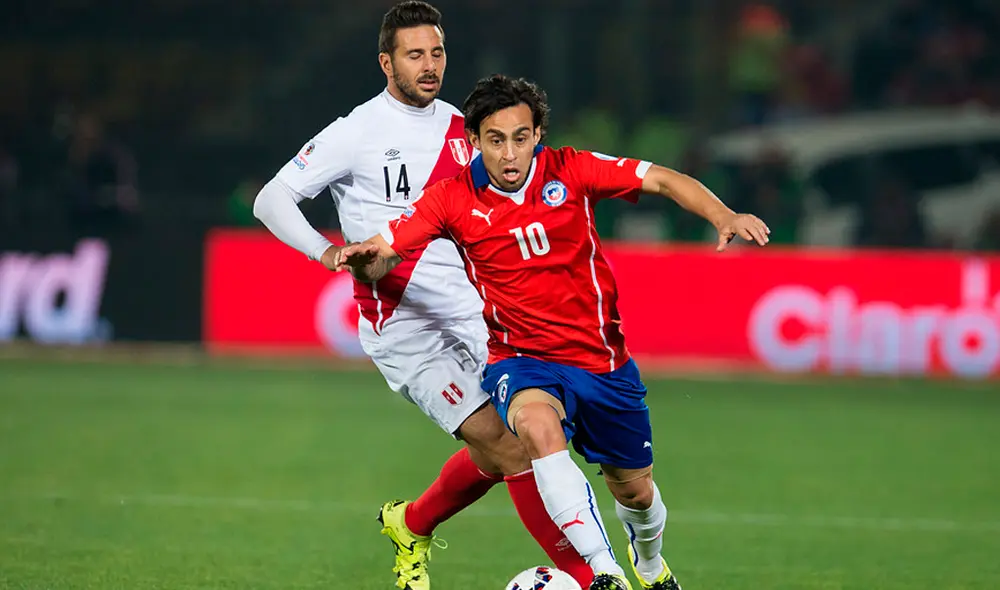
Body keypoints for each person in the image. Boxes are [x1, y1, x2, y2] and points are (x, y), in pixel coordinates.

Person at [337, 74, 771, 590]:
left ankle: (649, 563)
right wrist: (364, 264)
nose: (509, 152)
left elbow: (662, 179)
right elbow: (384, 248)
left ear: (537, 133)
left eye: (520, 137)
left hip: (602, 364)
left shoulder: (574, 169)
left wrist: (722, 214)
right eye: (495, 140)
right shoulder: (451, 199)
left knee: (636, 494)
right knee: (535, 431)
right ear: (473, 142)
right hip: (520, 358)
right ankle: (603, 574)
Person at [251, 3, 590, 589]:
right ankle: (589, 576)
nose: (429, 66)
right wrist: (328, 252)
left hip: (477, 314)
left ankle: (411, 524)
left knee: (532, 436)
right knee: (510, 450)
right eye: (415, 55)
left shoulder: (463, 128)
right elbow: (271, 200)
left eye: (436, 53)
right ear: (387, 62)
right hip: (406, 328)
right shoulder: (356, 132)